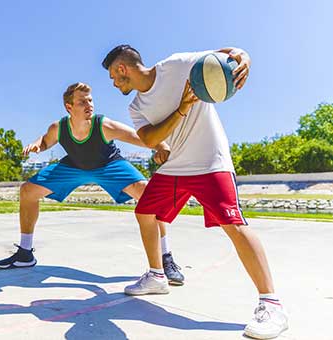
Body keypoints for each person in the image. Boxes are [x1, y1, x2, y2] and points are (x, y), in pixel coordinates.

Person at [102, 45, 288, 339]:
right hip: (175, 166)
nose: (113, 83)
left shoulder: (176, 66)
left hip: (210, 161)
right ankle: (156, 275)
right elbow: (150, 138)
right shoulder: (136, 106)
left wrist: (245, 57)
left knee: (234, 226)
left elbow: (225, 53)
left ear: (122, 68)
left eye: (114, 76)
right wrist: (182, 109)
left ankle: (271, 304)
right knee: (145, 212)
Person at [0, 82, 185, 286]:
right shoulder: (59, 128)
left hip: (109, 164)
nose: (89, 105)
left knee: (148, 195)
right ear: (69, 107)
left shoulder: (103, 125)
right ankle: (25, 253)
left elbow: (140, 137)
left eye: (90, 100)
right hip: (74, 166)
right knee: (27, 191)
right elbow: (45, 141)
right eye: (82, 102)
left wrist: (161, 145)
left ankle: (165, 258)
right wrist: (37, 145)